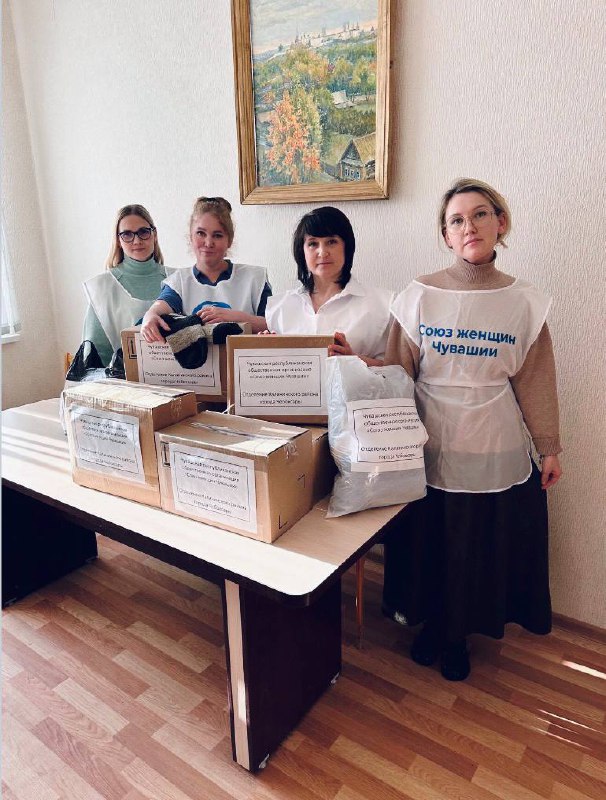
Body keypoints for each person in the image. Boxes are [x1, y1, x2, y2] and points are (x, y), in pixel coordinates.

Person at [382, 178, 562, 681]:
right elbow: (396, 374)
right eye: (456, 220)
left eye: (480, 214)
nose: (469, 227)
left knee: (473, 547)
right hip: (429, 444)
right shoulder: (418, 296)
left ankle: (458, 635)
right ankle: (432, 624)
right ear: (445, 235)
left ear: (500, 223)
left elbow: (535, 379)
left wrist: (549, 446)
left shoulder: (524, 302)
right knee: (432, 542)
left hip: (493, 444)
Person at [265, 206, 393, 364]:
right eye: (313, 244)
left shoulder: (384, 304)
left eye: (331, 242)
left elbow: (398, 370)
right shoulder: (278, 307)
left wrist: (354, 360)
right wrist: (262, 353)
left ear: (347, 246)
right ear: (302, 251)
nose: (322, 252)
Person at [141, 196, 270, 341]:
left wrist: (235, 317)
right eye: (201, 233)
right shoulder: (179, 282)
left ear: (229, 240)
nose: (208, 243)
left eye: (217, 235)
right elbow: (158, 308)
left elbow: (273, 324)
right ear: (191, 236)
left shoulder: (254, 279)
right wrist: (149, 316)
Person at [82, 204, 172, 366]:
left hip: (180, 378)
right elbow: (95, 357)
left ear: (154, 234)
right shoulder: (102, 288)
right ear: (118, 240)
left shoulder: (178, 279)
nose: (137, 241)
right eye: (127, 234)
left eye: (143, 232)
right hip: (122, 380)